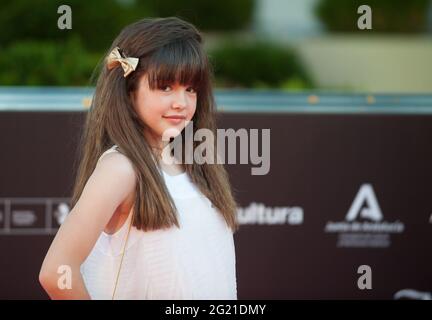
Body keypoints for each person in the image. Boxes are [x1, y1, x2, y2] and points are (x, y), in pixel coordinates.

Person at [39, 17, 239, 300]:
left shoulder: (192, 161)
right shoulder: (121, 167)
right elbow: (57, 272)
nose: (181, 102)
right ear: (129, 91)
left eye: (191, 88)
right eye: (166, 87)